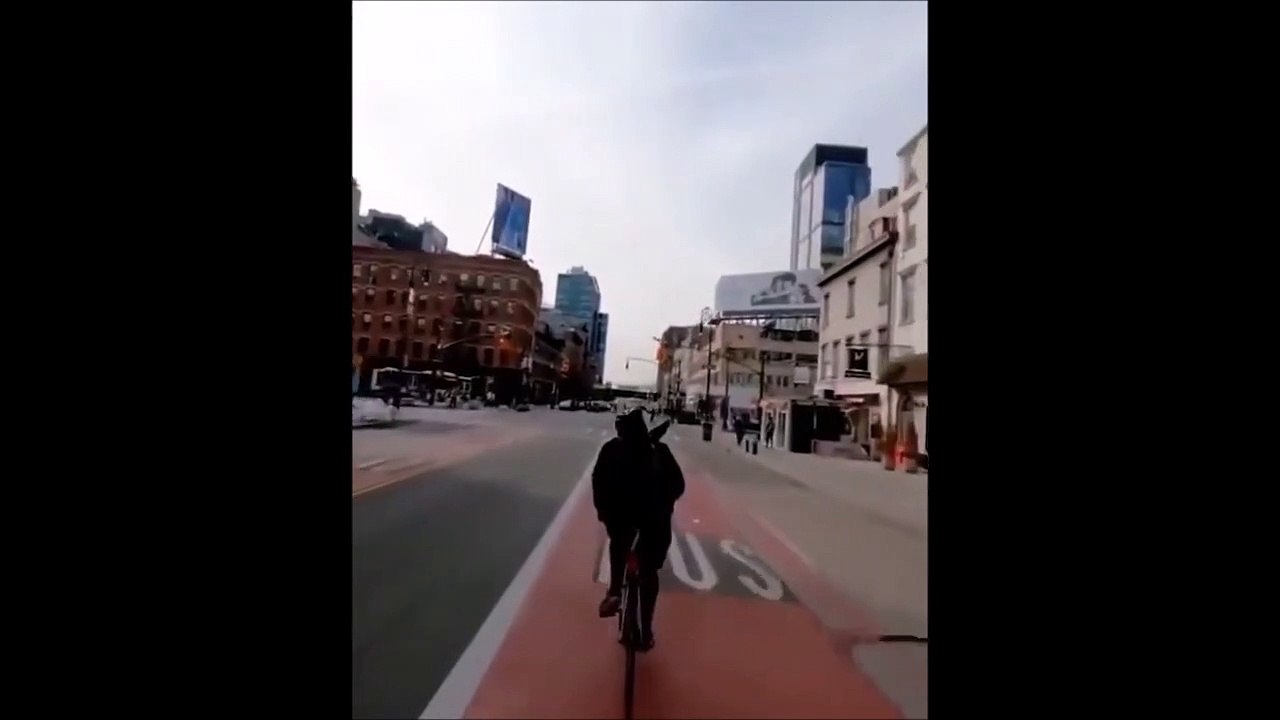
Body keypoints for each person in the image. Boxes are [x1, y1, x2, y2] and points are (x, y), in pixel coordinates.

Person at [592, 408, 685, 652]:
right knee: (649, 573)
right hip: (654, 527)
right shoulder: (659, 452)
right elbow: (678, 485)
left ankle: (614, 591)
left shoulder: (612, 450)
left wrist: (604, 513)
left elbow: (598, 483)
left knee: (619, 547)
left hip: (621, 522)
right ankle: (646, 630)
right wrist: (665, 504)